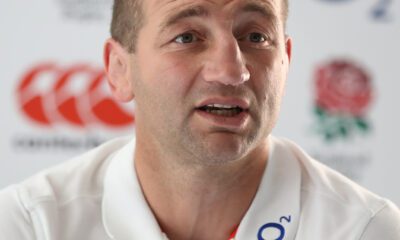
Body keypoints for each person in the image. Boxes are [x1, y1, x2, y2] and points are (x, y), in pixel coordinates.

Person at [1, 0, 400, 239]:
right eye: (187, 37)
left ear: (286, 62)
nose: (231, 70)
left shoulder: (364, 230)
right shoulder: (31, 224)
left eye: (256, 36)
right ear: (120, 69)